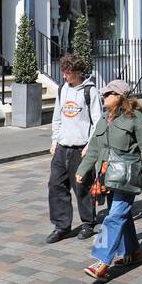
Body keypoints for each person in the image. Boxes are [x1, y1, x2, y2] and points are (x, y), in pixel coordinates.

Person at [75, 80, 142, 283]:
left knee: (113, 217)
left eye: (107, 94)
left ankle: (102, 261)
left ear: (120, 96)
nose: (103, 97)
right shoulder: (105, 118)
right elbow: (95, 147)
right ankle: (133, 252)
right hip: (107, 175)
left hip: (127, 176)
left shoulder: (135, 119)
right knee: (122, 215)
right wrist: (83, 169)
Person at [46, 53, 102, 244]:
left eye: (67, 72)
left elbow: (98, 122)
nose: (64, 75)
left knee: (83, 188)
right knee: (56, 186)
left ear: (77, 72)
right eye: (63, 71)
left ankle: (88, 223)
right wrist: (55, 140)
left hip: (81, 149)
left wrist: (90, 146)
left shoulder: (89, 91)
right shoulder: (62, 90)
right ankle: (61, 226)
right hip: (62, 148)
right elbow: (57, 118)